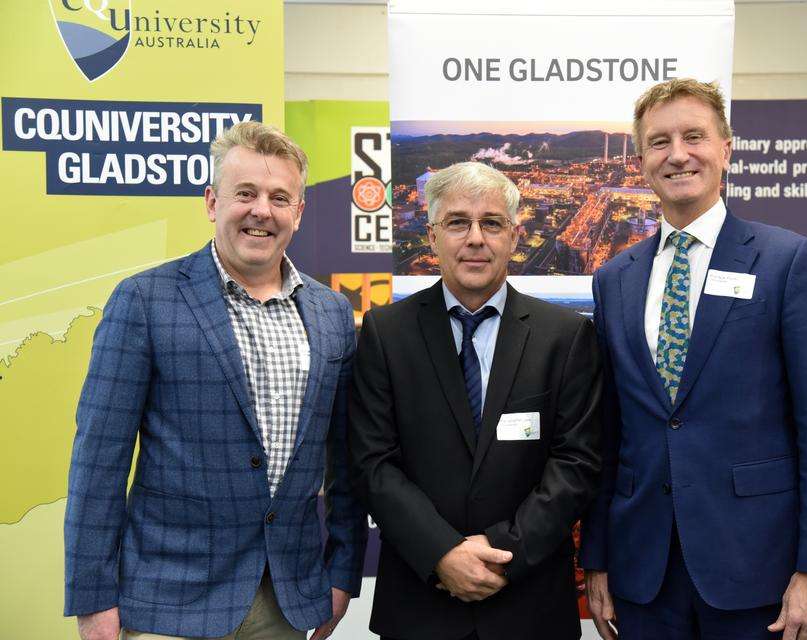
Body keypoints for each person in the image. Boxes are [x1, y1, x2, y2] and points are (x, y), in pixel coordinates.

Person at [64, 121, 367, 640]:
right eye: (244, 193)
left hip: (287, 603)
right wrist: (94, 602)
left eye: (279, 197)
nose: (261, 211)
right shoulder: (143, 301)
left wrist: (342, 576)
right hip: (166, 602)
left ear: (298, 211)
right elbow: (98, 464)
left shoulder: (333, 312)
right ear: (211, 202)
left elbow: (347, 460)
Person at [579, 79, 807, 640]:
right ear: (640, 162)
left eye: (694, 136)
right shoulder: (614, 279)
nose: (678, 154)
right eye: (659, 142)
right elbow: (610, 435)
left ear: (726, 148)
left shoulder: (789, 262)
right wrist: (599, 559)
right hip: (644, 573)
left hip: (761, 572)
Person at [348, 161, 602, 640]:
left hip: (529, 603)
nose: (475, 239)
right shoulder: (386, 332)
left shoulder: (564, 336)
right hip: (421, 604)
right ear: (432, 237)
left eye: (491, 223)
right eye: (458, 222)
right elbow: (372, 462)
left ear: (514, 235)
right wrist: (443, 553)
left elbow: (576, 463)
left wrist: (501, 554)